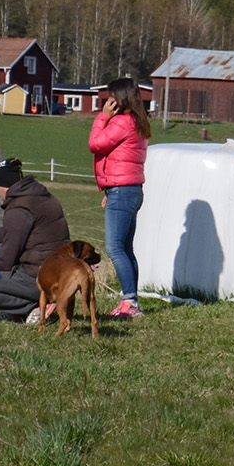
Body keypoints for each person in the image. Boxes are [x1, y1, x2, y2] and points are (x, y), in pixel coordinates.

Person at [0, 158, 72, 322]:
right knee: (0, 246)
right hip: (61, 275)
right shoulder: (38, 196)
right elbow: (11, 232)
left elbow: (5, 263)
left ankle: (36, 306)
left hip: (40, 279)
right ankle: (30, 306)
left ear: (5, 186)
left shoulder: (18, 209)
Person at [89, 77, 150, 319]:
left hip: (122, 191)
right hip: (130, 190)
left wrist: (102, 116)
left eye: (112, 97)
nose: (108, 101)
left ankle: (129, 302)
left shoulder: (122, 122)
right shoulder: (138, 121)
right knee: (126, 248)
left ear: (121, 99)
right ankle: (131, 299)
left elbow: (95, 145)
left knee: (115, 247)